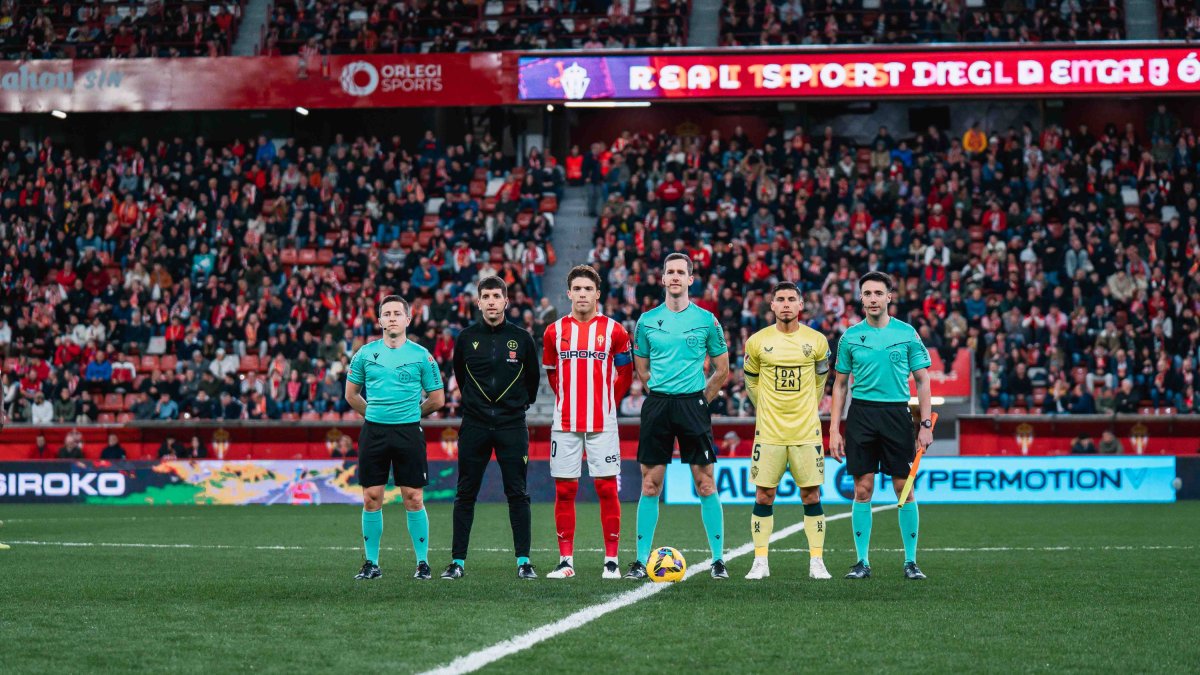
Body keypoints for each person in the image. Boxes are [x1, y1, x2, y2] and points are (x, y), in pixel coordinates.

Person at [625, 253, 730, 580]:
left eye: (680, 272)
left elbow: (722, 369)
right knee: (650, 484)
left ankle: (718, 560)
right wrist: (659, 392)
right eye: (669, 271)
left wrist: (701, 400)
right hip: (658, 406)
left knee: (705, 483)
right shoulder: (646, 321)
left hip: (692, 406)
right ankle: (640, 561)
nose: (674, 277)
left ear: (690, 279)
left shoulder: (707, 320)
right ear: (662, 279)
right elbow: (642, 369)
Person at [829, 271, 934, 581]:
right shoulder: (850, 337)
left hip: (896, 415)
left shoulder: (907, 333)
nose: (873, 298)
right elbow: (840, 385)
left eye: (878, 293)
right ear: (861, 299)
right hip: (861, 415)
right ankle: (862, 561)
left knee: (904, 489)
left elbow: (923, 380)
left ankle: (911, 562)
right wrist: (834, 429)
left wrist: (925, 424)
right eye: (867, 293)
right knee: (862, 489)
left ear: (889, 297)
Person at [443, 276, 541, 580]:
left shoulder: (522, 338)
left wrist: (514, 406)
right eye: (486, 297)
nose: (491, 302)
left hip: (512, 425)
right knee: (465, 493)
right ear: (478, 302)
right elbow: (461, 376)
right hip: (475, 424)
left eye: (497, 296)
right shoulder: (465, 338)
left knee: (518, 493)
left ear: (506, 301)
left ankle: (524, 561)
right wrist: (479, 405)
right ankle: (457, 562)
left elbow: (533, 381)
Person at [541, 265, 633, 580]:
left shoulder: (615, 330)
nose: (582, 294)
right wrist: (569, 399)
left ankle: (611, 561)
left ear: (598, 294)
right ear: (569, 293)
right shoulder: (553, 331)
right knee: (565, 489)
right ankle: (565, 561)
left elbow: (625, 374)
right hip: (564, 421)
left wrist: (607, 403)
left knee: (606, 488)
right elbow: (553, 375)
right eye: (577, 289)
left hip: (603, 421)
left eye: (588, 289)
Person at [345, 295, 445, 581]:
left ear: (407, 319)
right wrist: (374, 414)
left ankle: (423, 563)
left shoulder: (422, 356)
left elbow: (437, 399)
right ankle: (371, 564)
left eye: (397, 313)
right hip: (374, 432)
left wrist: (411, 414)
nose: (391, 318)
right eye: (386, 314)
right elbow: (351, 395)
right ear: (379, 320)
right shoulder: (364, 354)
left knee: (413, 497)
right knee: (371, 498)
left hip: (408, 432)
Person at [742, 282, 833, 581]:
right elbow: (751, 382)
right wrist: (767, 408)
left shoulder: (817, 341)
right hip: (769, 433)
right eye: (780, 299)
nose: (785, 304)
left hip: (806, 432)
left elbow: (820, 381)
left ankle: (817, 561)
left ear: (801, 304)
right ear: (771, 305)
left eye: (791, 299)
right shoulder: (757, 342)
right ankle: (760, 561)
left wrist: (807, 407)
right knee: (764, 495)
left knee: (811, 495)